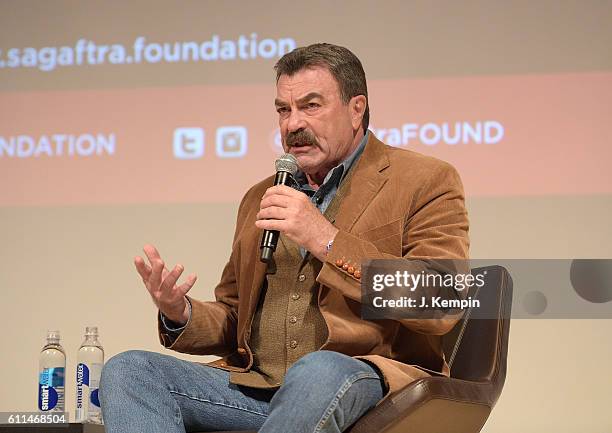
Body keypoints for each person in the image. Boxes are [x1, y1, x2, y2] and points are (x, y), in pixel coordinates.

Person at [99, 43, 469, 433]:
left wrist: (326, 238)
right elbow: (233, 316)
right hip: (258, 390)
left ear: (356, 108)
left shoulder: (424, 179)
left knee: (317, 371)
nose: (293, 124)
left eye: (311, 106)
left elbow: (441, 300)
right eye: (283, 109)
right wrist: (180, 313)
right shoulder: (262, 195)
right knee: (130, 370)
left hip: (360, 381)